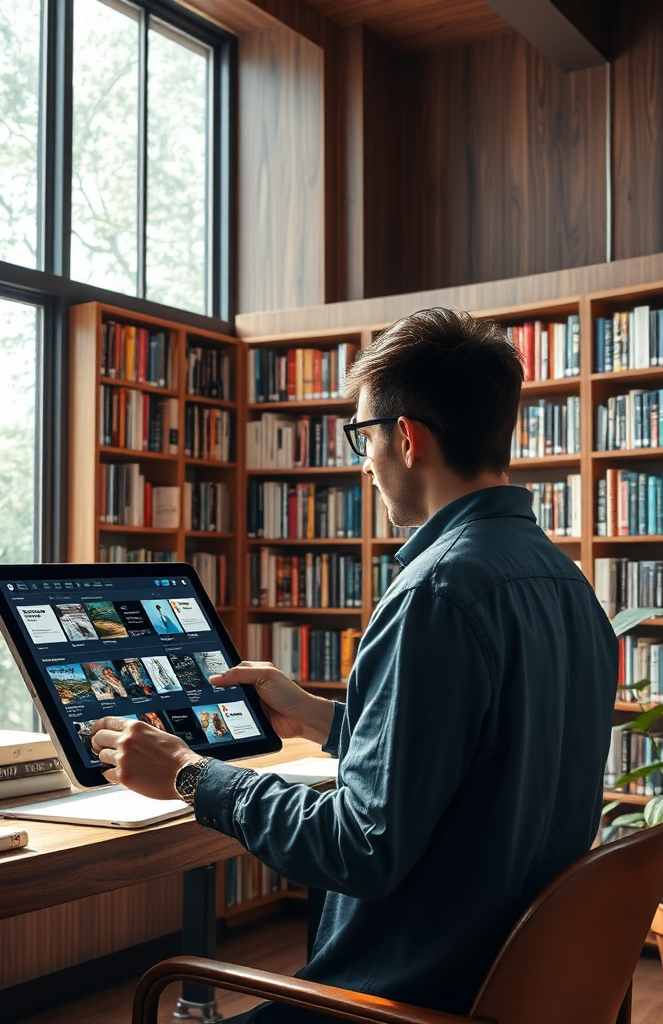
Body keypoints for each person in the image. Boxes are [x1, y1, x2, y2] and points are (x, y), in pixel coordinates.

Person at [91, 308, 618, 1021]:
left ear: (406, 437)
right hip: (506, 979)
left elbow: (358, 846)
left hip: (399, 995)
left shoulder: (436, 592)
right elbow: (477, 759)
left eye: (361, 436)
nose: (362, 462)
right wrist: (324, 719)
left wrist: (190, 775)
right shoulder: (567, 586)